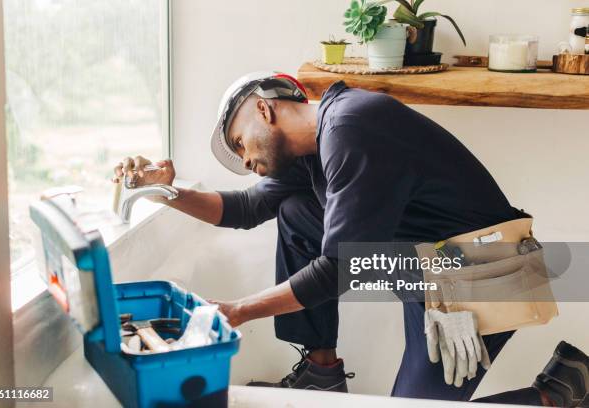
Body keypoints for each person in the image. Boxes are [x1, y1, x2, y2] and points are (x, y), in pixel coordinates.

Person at [113, 72, 589, 406]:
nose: (244, 161)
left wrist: (237, 310)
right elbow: (242, 210)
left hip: (485, 272)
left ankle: (557, 392)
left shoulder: (353, 126)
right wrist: (163, 191)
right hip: (430, 271)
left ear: (264, 108)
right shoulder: (313, 153)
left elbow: (339, 269)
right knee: (298, 211)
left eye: (240, 143)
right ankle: (322, 371)